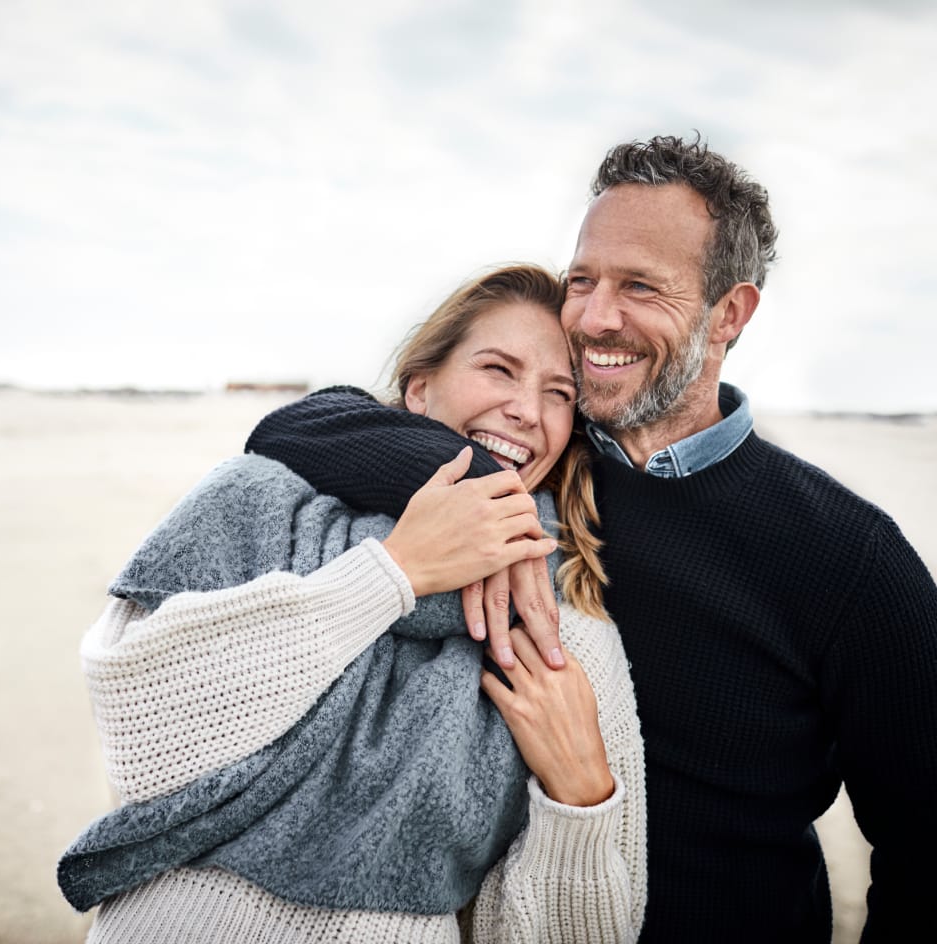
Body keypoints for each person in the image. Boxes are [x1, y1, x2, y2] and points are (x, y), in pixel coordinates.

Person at [244, 136, 937, 943]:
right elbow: (299, 424)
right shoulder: (542, 463)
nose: (594, 317)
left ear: (730, 314)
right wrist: (473, 477)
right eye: (583, 281)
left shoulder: (847, 555)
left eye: (640, 286)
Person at [58, 264, 647, 943]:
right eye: (497, 369)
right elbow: (140, 740)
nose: (526, 409)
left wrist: (580, 801)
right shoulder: (255, 498)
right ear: (420, 389)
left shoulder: (558, 619)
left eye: (559, 392)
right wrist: (394, 573)